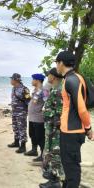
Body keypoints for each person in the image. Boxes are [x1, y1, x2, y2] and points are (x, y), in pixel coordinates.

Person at [56, 51, 94, 188]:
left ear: (61, 63)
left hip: (71, 132)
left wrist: (88, 128)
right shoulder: (75, 77)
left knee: (72, 168)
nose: (56, 66)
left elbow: (81, 108)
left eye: (56, 63)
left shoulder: (71, 80)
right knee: (68, 164)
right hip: (70, 129)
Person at [39, 68, 64, 188]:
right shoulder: (54, 88)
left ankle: (55, 181)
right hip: (51, 127)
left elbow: (59, 112)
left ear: (53, 76)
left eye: (48, 74)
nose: (47, 77)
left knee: (55, 153)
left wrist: (54, 126)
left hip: (55, 129)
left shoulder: (58, 90)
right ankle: (52, 175)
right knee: (50, 152)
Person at [7, 73, 31, 153]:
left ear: (15, 80)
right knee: (15, 127)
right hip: (14, 111)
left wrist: (26, 111)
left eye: (11, 79)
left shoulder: (24, 89)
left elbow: (28, 101)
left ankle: (23, 146)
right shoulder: (13, 88)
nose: (10, 81)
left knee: (22, 128)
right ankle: (16, 142)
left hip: (21, 113)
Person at [25, 73, 46, 162]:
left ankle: (43, 154)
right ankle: (34, 150)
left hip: (39, 118)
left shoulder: (44, 90)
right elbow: (33, 101)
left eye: (33, 79)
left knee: (40, 136)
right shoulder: (35, 90)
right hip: (32, 117)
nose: (32, 81)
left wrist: (43, 111)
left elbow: (47, 102)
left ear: (37, 80)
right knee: (32, 134)